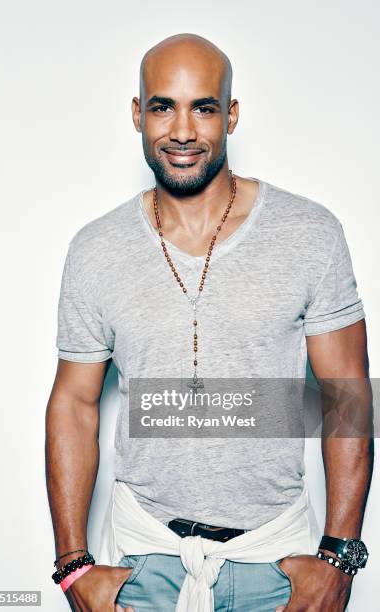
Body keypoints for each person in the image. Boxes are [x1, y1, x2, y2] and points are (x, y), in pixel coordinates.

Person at [45, 33, 373, 612]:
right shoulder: (96, 249)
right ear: (136, 114)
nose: (182, 130)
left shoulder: (308, 233)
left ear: (232, 114)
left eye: (204, 106)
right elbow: (74, 401)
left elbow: (346, 392)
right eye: (162, 106)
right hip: (139, 562)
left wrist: (339, 560)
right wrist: (73, 566)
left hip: (276, 560)